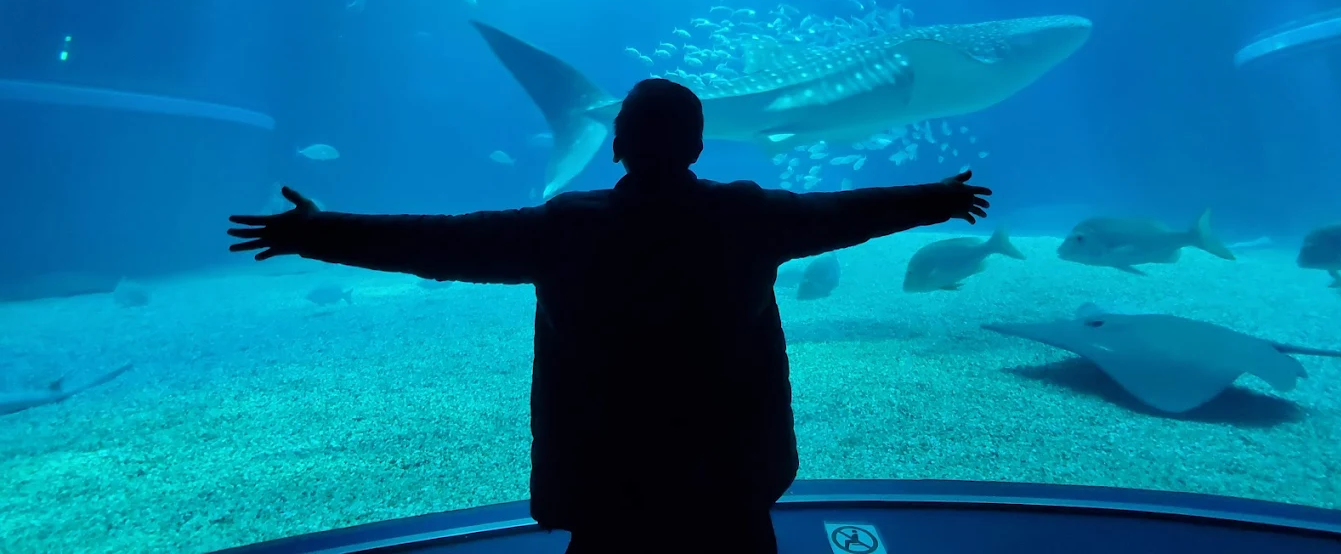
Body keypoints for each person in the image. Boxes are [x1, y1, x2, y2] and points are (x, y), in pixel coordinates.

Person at [229, 78, 990, 553]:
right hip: (729, 480)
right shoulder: (748, 216)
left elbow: (435, 243)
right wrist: (940, 198)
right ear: (697, 144)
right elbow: (849, 212)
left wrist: (315, 232)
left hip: (607, 479)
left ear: (618, 144)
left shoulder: (564, 227)